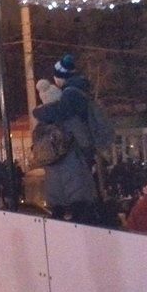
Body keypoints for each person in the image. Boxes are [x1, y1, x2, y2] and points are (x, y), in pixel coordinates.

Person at [32, 57, 100, 224]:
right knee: (82, 216)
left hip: (53, 183)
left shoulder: (41, 125)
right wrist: (90, 159)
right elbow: (84, 141)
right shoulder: (69, 117)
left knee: (59, 220)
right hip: (75, 174)